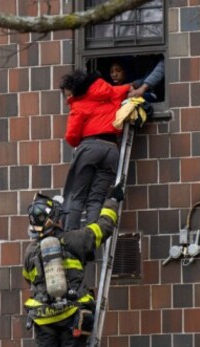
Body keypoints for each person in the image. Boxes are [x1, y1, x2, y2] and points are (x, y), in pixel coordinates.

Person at [22, 182, 125, 347]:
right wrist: (112, 200)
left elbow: (28, 278)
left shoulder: (30, 252)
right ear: (55, 220)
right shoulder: (74, 240)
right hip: (71, 314)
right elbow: (103, 228)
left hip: (44, 317)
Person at [59, 69, 131, 231]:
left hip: (89, 148)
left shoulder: (79, 104)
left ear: (75, 89)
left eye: (67, 95)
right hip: (112, 150)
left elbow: (71, 136)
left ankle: (72, 237)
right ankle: (90, 238)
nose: (66, 101)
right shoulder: (111, 92)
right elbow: (126, 88)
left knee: (76, 195)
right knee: (96, 199)